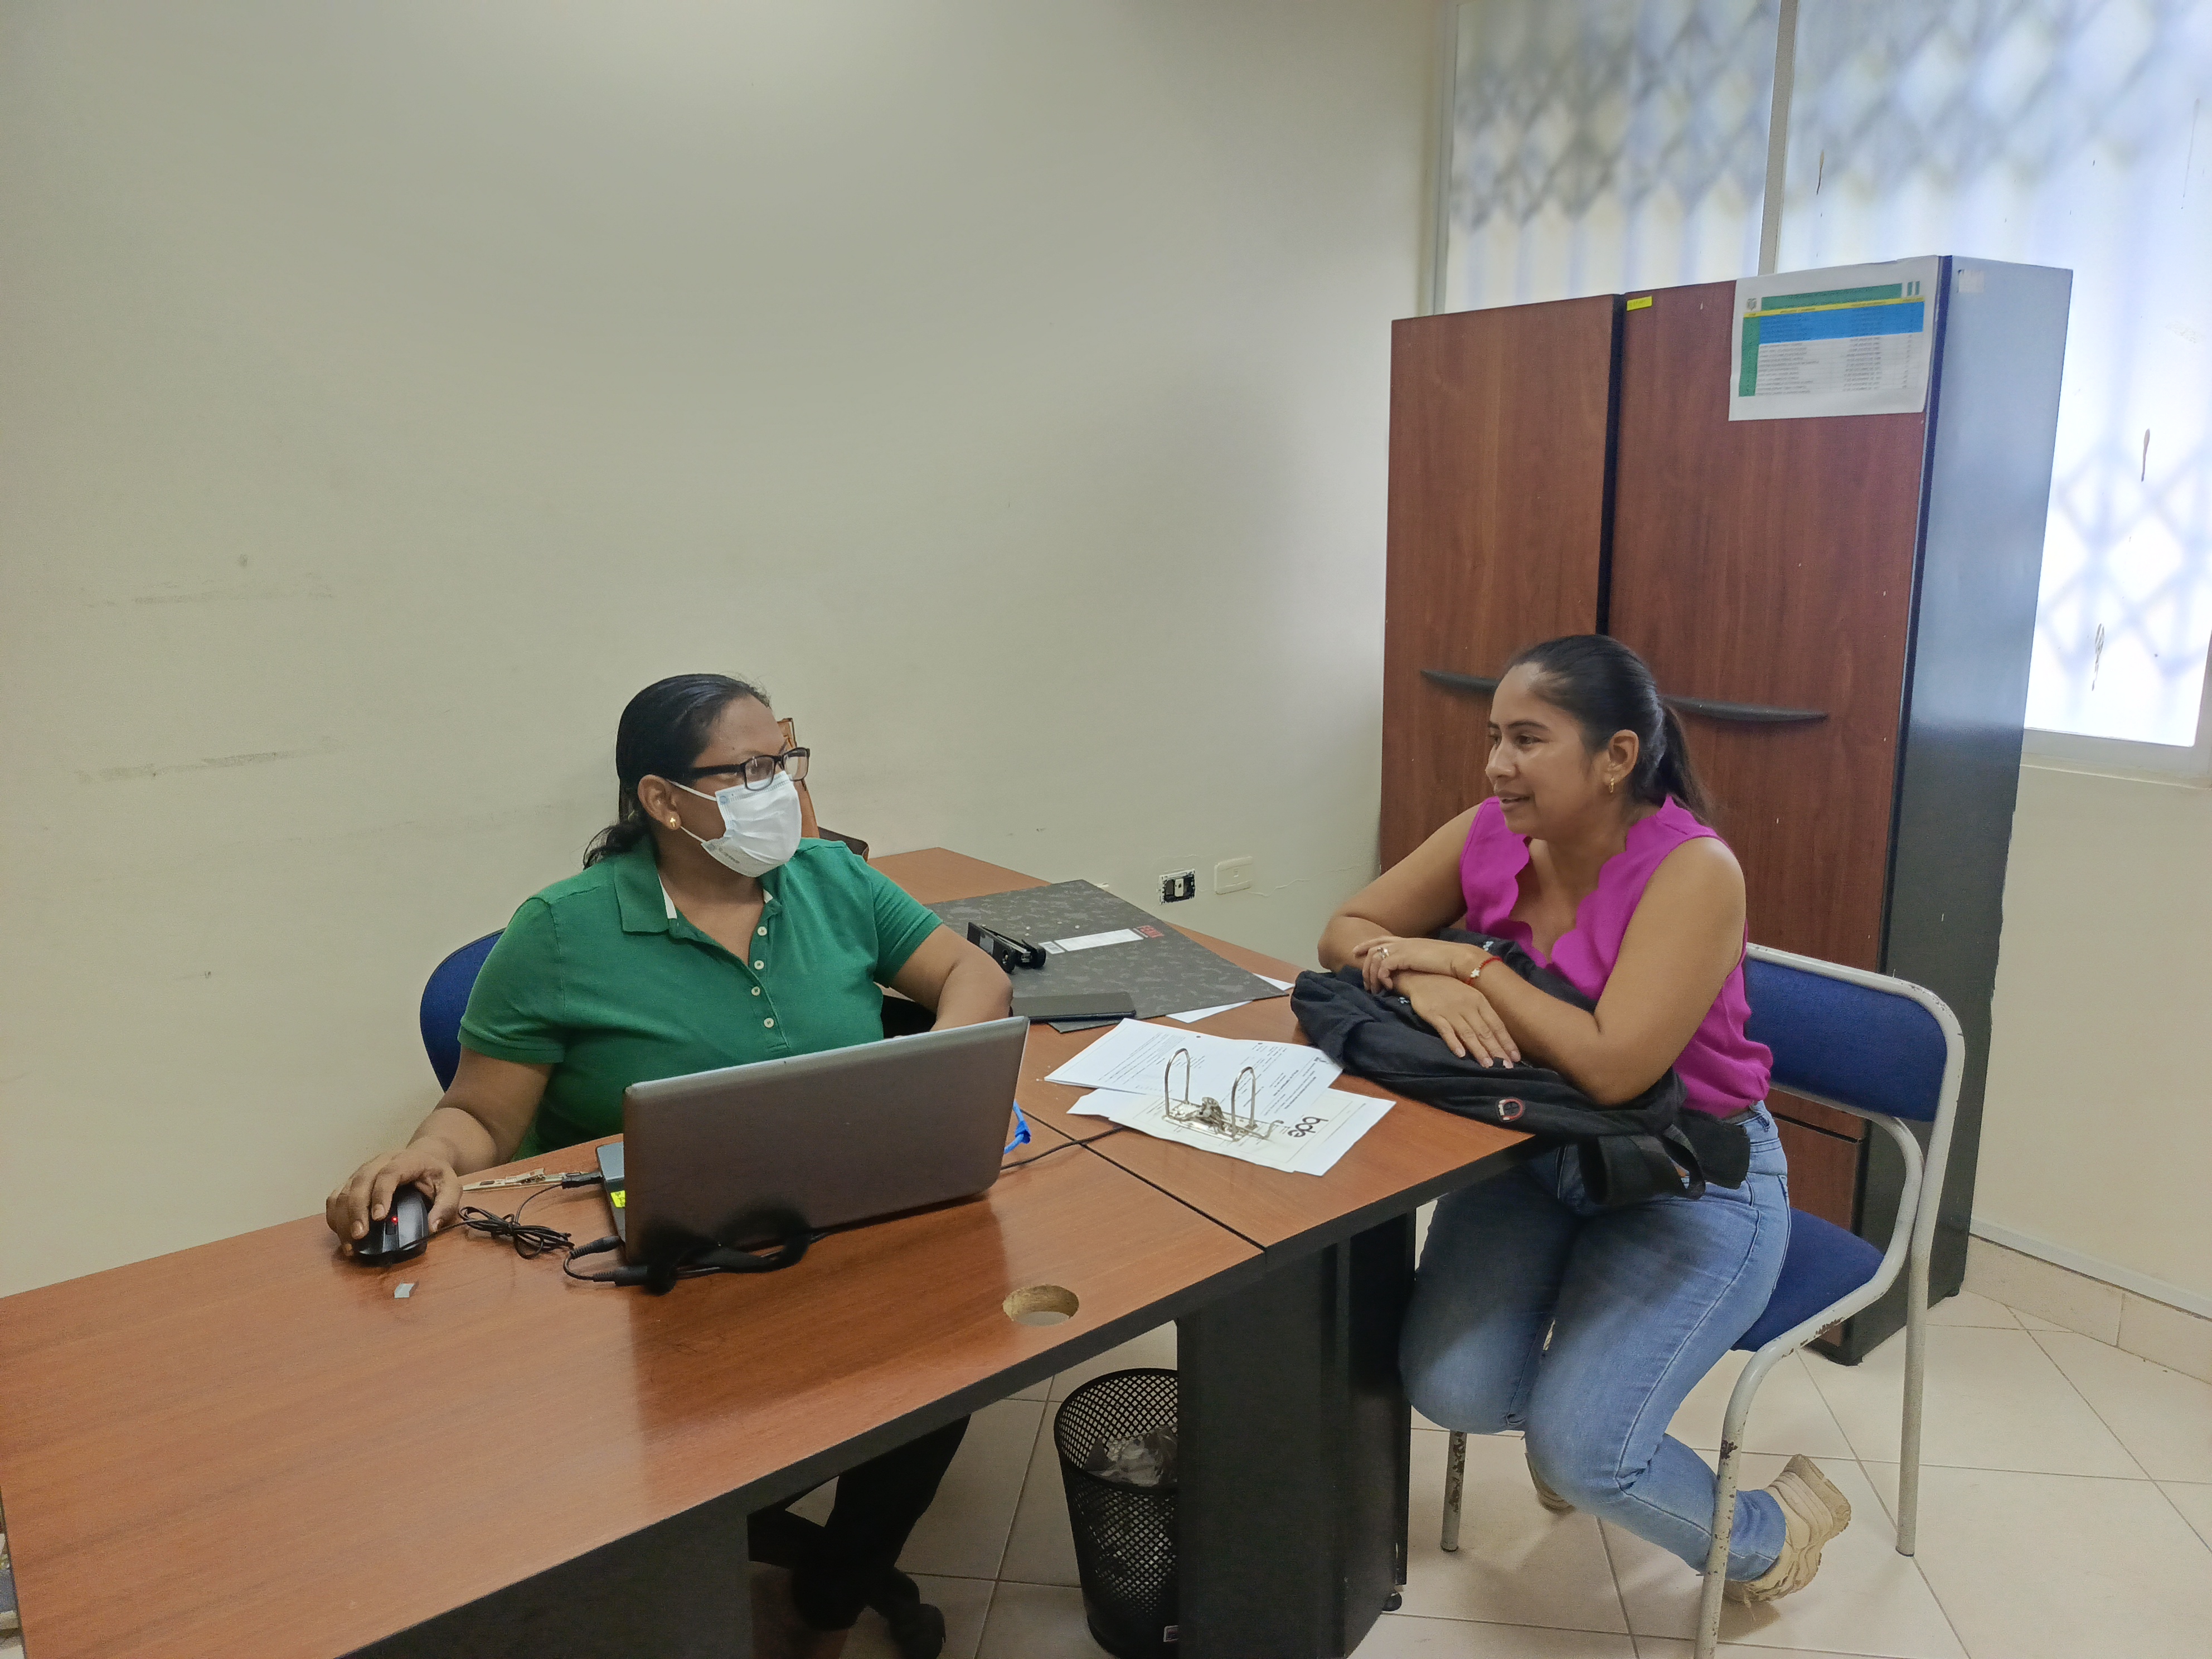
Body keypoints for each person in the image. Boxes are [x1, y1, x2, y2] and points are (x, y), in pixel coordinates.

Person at [327, 673, 1011, 1659]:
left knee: (947, 1373)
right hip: (665, 1273)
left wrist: (928, 1067)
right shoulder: (560, 930)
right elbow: (478, 1113)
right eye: (750, 770)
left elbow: (970, 972)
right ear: (662, 799)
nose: (782, 789)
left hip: (843, 1220)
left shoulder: (831, 877)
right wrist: (429, 1157)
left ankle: (821, 1608)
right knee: (704, 1449)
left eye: (787, 760)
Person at [1318, 635, 1851, 1605]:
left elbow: (1612, 1068)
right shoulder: (1487, 831)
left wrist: (1468, 963)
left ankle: (1769, 1535)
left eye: (1528, 740)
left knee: (1587, 1454)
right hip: (1542, 1151)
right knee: (1451, 1390)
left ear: (1617, 757)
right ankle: (1582, 1426)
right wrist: (1420, 980)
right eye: (1494, 737)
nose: (1497, 765)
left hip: (1691, 1176)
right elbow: (1347, 931)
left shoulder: (1694, 870)